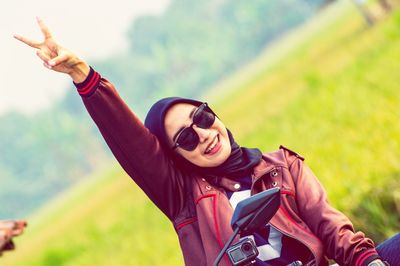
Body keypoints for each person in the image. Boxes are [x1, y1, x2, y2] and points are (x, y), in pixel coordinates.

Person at [14, 17, 399, 266]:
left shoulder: (283, 166)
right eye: (185, 137)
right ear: (176, 157)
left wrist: (370, 264)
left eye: (202, 117)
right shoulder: (183, 199)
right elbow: (133, 146)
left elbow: (332, 229)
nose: (203, 134)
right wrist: (83, 75)